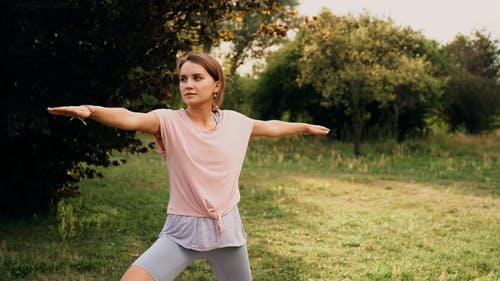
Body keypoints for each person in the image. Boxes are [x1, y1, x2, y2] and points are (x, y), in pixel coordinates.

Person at [47, 51, 330, 281]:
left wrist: (303, 126)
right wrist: (91, 111)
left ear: (216, 85)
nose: (188, 84)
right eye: (183, 79)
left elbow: (270, 126)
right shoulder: (167, 121)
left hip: (226, 233)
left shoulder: (234, 122)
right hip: (181, 232)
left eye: (197, 77)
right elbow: (130, 117)